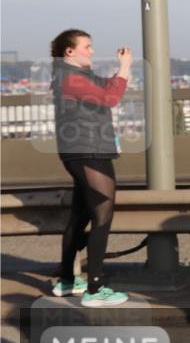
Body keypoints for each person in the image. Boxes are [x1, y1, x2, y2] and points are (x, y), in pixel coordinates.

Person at [49, 29, 131, 307]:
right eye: (88, 46)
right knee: (103, 214)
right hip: (89, 150)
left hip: (81, 150)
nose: (92, 51)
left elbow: (109, 88)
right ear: (70, 51)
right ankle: (95, 289)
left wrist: (122, 70)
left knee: (81, 215)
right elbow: (110, 99)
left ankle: (67, 281)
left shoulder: (76, 75)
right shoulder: (70, 77)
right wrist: (126, 67)